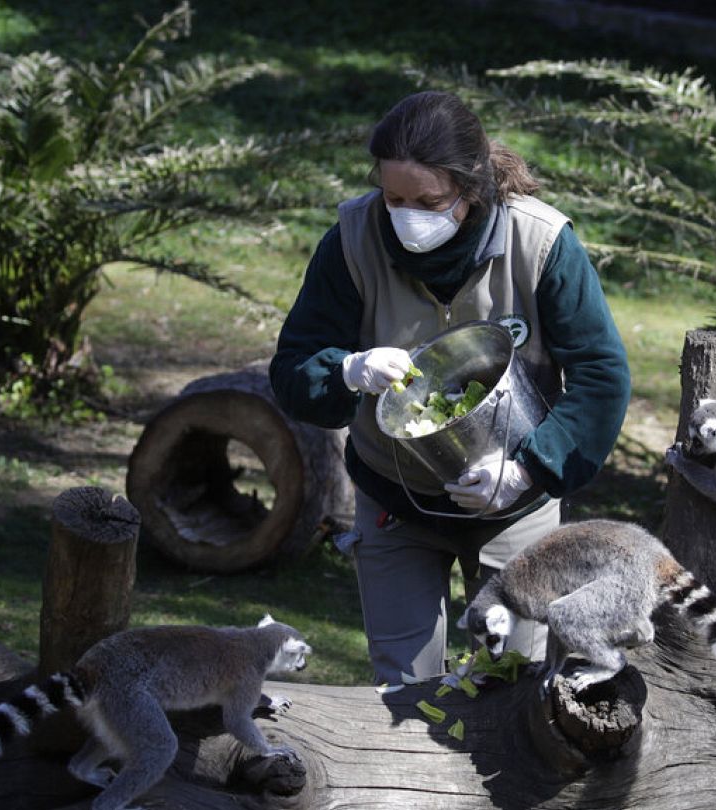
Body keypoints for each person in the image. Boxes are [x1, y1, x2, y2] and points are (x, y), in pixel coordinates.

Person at [269, 90, 630, 687]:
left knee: (514, 689)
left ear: (473, 188)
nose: (409, 215)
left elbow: (600, 374)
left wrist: (529, 468)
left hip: (515, 501)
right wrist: (347, 370)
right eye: (394, 199)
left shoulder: (540, 242)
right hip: (393, 495)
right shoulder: (352, 238)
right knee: (404, 691)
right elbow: (294, 367)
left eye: (429, 201)